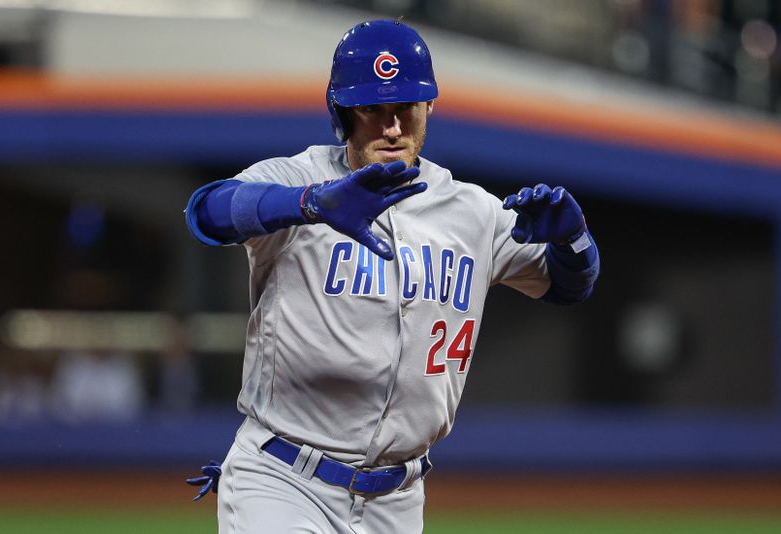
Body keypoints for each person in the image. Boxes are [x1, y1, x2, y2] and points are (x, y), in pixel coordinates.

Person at [184, 20, 599, 534]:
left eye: (405, 108)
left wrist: (574, 238)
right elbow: (207, 212)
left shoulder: (472, 211)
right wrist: (307, 205)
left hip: (397, 501)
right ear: (342, 114)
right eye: (372, 110)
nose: (392, 127)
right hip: (284, 482)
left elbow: (568, 284)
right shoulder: (298, 179)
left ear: (428, 108)